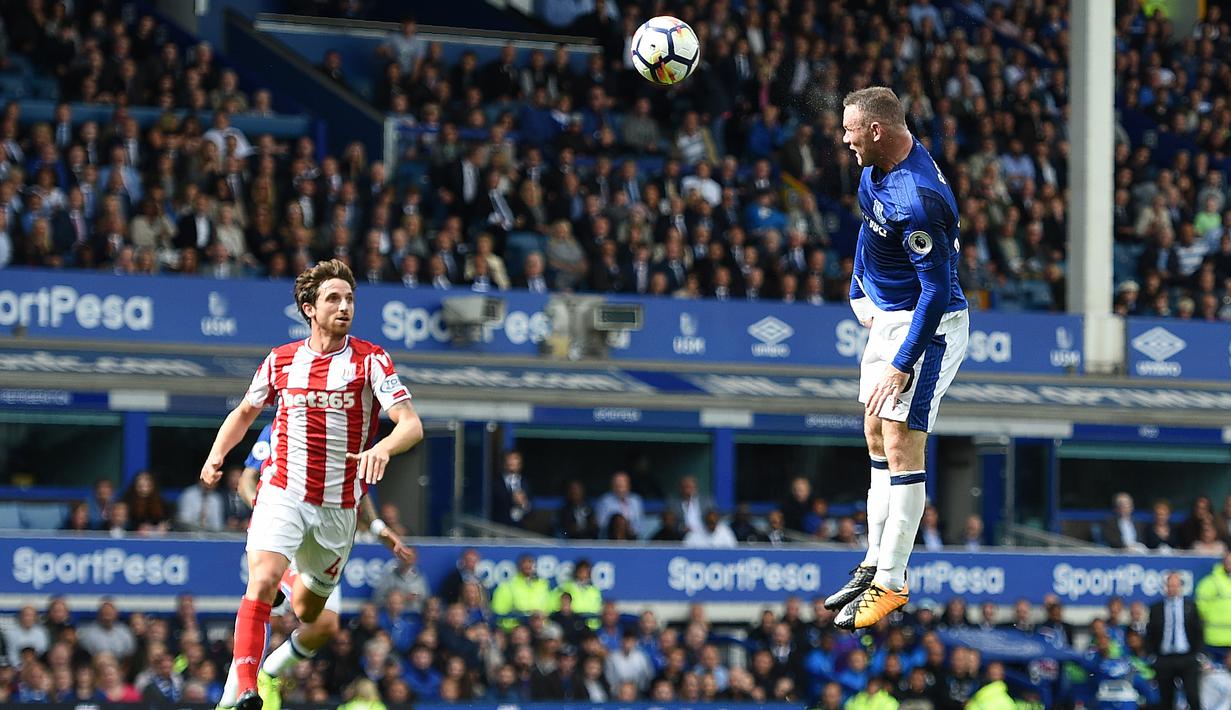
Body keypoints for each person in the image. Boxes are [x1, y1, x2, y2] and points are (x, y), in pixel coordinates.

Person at [202, 259, 423, 710]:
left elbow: (411, 424)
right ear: (309, 308)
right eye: (333, 299)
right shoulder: (281, 360)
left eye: (350, 299)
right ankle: (245, 688)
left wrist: (384, 448)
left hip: (337, 509)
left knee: (309, 612)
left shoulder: (370, 359)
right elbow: (245, 412)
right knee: (262, 580)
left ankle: (262, 662)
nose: (344, 307)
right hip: (283, 492)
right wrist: (216, 455)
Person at [824, 87, 969, 630]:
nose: (844, 139)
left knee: (902, 440)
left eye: (850, 130)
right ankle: (873, 561)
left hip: (928, 328)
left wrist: (903, 361)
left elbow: (937, 291)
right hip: (888, 317)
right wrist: (857, 286)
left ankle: (891, 581)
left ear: (876, 130)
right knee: (874, 433)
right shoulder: (875, 169)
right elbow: (870, 227)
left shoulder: (919, 197)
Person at [230, 421, 418, 710]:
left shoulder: (350, 428)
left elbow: (359, 491)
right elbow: (247, 479)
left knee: (325, 625)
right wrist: (269, 511)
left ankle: (268, 672)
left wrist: (379, 528)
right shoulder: (282, 424)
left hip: (325, 539)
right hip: (287, 535)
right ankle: (236, 695)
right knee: (263, 610)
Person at [1146, 572, 1203, 710]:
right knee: (1166, 699)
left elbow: (1198, 631)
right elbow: (1150, 633)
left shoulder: (1190, 607)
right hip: (1164, 658)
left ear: (1181, 587)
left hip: (1187, 657)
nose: (1173, 589)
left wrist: (1198, 654)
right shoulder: (1156, 608)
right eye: (1170, 585)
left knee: (1193, 696)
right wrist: (1153, 656)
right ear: (1165, 587)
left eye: (1176, 585)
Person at [1196, 551, 1231, 663]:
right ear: (1223, 562)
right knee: (1216, 672)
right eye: (1228, 562)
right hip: (1215, 639)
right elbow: (1200, 607)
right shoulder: (1210, 582)